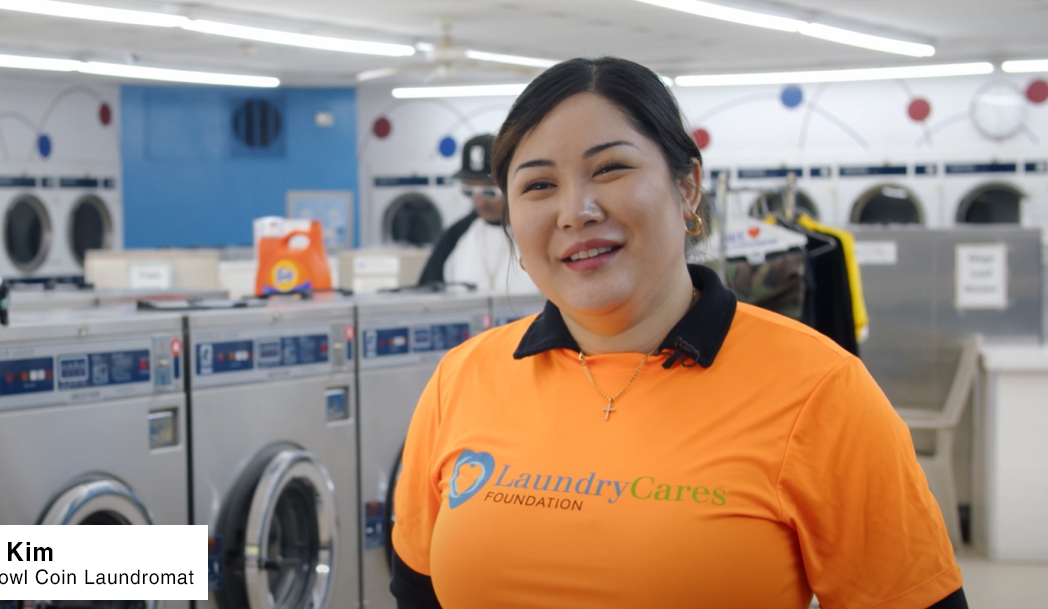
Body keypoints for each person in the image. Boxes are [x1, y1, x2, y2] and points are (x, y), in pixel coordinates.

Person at [390, 57, 966, 609]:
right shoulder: (462, 379)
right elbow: (418, 590)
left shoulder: (818, 388)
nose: (576, 211)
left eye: (610, 168)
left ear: (687, 186)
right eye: (538, 185)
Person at [417, 134, 537, 294]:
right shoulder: (455, 236)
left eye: (489, 191)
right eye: (469, 191)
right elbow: (426, 296)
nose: (479, 202)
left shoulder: (537, 233)